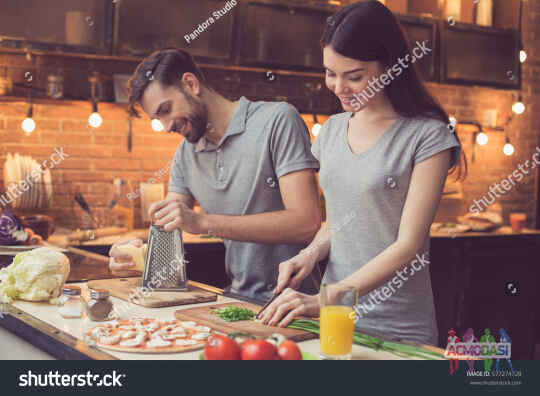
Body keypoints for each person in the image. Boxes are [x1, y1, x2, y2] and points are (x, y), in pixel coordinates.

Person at [259, 0, 466, 346]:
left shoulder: (428, 136)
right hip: (336, 319)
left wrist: (329, 296)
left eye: (354, 76)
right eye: (330, 73)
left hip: (398, 326)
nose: (339, 87)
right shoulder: (332, 131)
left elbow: (408, 246)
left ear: (389, 66)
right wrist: (309, 254)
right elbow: (340, 219)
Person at [108, 48, 321, 302]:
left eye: (166, 110)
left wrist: (204, 223)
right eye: (158, 118)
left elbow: (306, 223)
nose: (166, 127)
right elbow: (168, 226)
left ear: (191, 84)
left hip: (297, 305)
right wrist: (133, 250)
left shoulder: (276, 121)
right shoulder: (185, 156)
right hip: (237, 301)